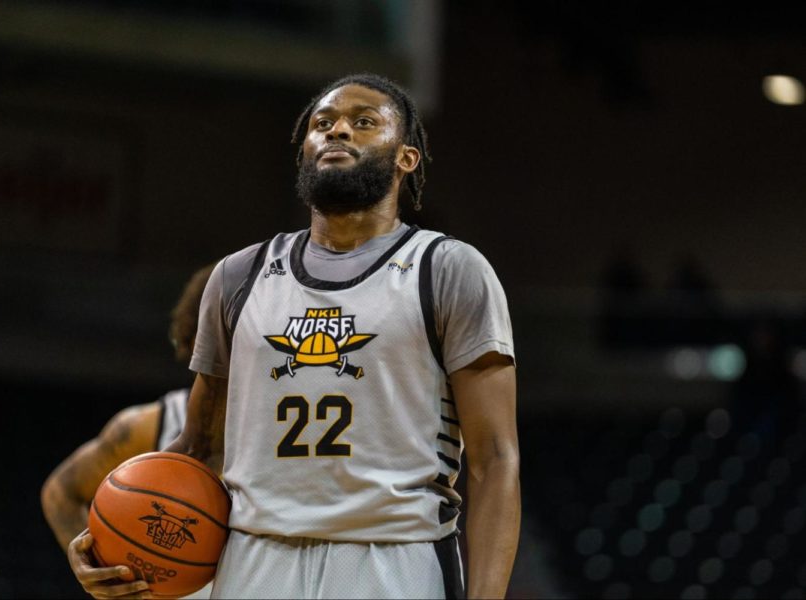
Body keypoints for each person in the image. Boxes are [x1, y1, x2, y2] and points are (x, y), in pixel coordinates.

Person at [69, 73, 520, 600]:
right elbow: (197, 445)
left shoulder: (447, 270)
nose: (338, 132)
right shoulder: (238, 276)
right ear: (303, 151)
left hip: (393, 555)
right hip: (255, 557)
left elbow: (494, 459)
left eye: (364, 122)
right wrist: (115, 543)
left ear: (406, 158)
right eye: (322, 124)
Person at [42, 265, 218, 595]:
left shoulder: (283, 427)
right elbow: (59, 493)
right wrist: (99, 572)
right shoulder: (149, 425)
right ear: (194, 341)